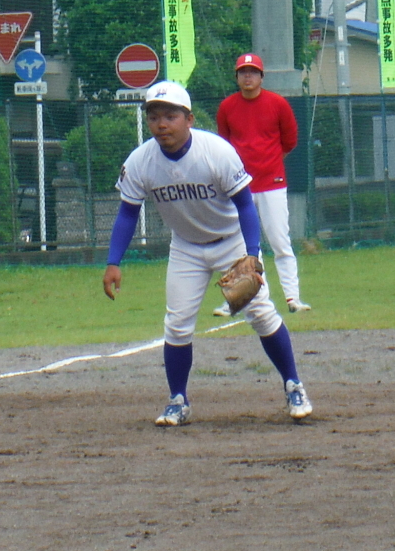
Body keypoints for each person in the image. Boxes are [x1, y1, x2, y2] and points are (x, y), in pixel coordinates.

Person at [102, 80, 313, 427]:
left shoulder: (216, 152)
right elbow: (127, 213)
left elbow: (246, 206)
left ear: (189, 119)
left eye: (170, 116)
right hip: (186, 247)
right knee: (177, 324)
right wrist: (113, 261)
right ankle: (178, 400)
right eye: (154, 117)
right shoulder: (141, 162)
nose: (161, 124)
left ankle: (294, 386)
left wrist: (251, 255)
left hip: (231, 242)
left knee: (260, 313)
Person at [213, 52, 311, 317]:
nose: (248, 76)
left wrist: (270, 163)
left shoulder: (277, 104)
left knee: (280, 241)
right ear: (237, 77)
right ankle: (239, 299)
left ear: (261, 76)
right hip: (239, 186)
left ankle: (293, 297)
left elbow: (289, 141)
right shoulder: (227, 107)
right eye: (243, 72)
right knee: (241, 246)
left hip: (272, 183)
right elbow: (224, 145)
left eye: (253, 72)